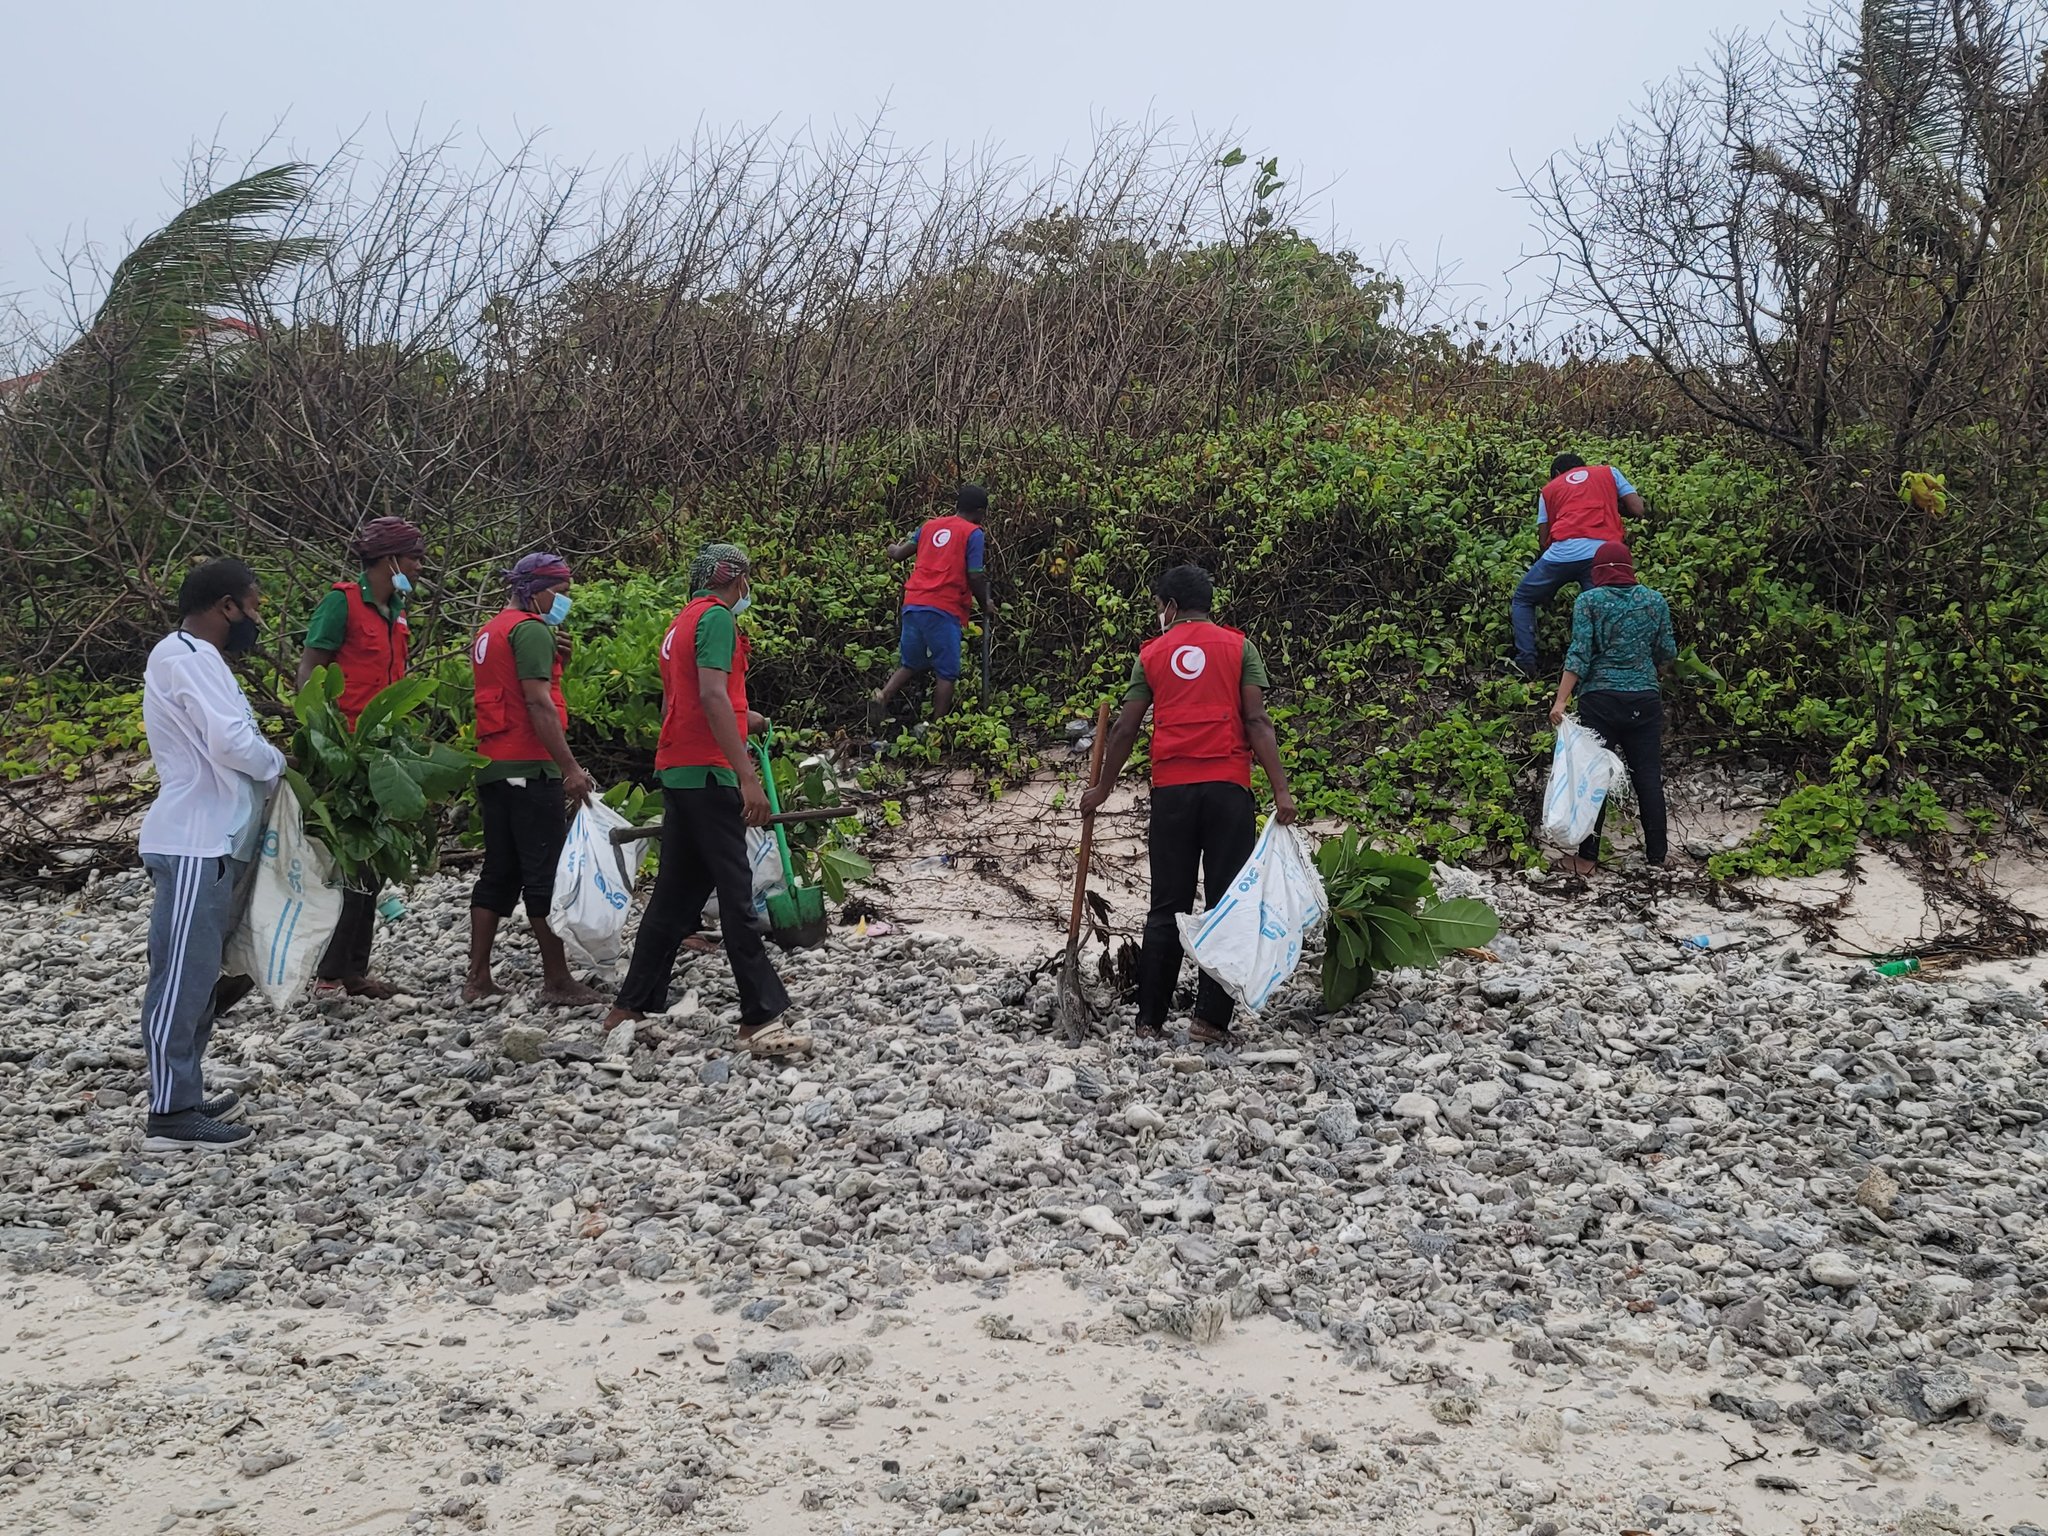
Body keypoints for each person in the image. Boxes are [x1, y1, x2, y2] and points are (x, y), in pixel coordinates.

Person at [600, 544, 808, 1057]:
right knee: (736, 896)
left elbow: (692, 698)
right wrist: (747, 777)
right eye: (747, 581)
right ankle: (758, 1015)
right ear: (734, 580)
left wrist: (746, 716)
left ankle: (630, 1004)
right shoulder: (717, 620)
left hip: (678, 770)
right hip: (709, 773)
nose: (747, 592)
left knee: (674, 894)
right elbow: (712, 696)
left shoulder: (680, 624)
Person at [1080, 564, 1297, 1047]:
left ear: (1170, 607)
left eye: (1159, 607)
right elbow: (1258, 721)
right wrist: (1281, 792)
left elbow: (1125, 728)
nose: (1159, 615)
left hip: (1173, 794)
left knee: (1167, 907)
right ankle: (1209, 1022)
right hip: (1228, 792)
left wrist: (1102, 790)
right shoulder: (1240, 648)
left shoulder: (1152, 655)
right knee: (1226, 907)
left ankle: (1149, 1021)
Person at [136, 559, 286, 1152]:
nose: (255, 619)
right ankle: (170, 1114)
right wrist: (277, 763)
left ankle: (185, 1089)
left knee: (199, 973)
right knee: (181, 974)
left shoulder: (200, 659)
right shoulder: (185, 657)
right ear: (226, 606)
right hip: (193, 838)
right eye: (252, 607)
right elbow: (231, 743)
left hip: (215, 837)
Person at [463, 552, 607, 1006]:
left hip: (493, 764)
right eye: (560, 593)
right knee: (542, 871)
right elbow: (538, 703)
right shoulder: (529, 629)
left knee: (499, 871)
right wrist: (569, 767)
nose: (564, 602)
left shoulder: (490, 630)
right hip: (528, 764)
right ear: (537, 590)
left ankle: (478, 976)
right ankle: (557, 979)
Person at [296, 516, 424, 998]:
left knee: (372, 856)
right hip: (343, 747)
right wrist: (319, 740)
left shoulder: (398, 608)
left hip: (382, 747)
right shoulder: (341, 603)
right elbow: (310, 672)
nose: (418, 566)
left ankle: (353, 968)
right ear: (390, 559)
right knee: (346, 857)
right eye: (413, 557)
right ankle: (329, 971)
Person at [1548, 540, 1676, 874]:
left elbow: (1579, 654)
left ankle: (1587, 858)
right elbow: (1667, 652)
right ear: (1629, 568)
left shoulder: (1589, 601)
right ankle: (1657, 857)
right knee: (1648, 776)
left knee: (1595, 778)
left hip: (1600, 700)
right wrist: (1651, 675)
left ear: (1597, 572)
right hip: (1645, 699)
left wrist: (1561, 700)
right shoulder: (1654, 601)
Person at [1512, 453, 1645, 678]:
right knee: (1602, 608)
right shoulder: (1608, 472)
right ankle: (1606, 667)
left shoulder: (1549, 489)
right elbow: (1638, 509)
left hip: (1562, 553)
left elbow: (1544, 539)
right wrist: (1613, 503)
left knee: (1523, 598)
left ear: (1555, 474)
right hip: (1603, 554)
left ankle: (1526, 663)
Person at [870, 483, 991, 727]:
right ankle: (937, 726)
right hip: (944, 607)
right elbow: (975, 574)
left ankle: (882, 695)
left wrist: (890, 546)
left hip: (913, 603)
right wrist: (985, 603)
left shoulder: (928, 526)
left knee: (911, 662)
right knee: (947, 671)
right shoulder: (973, 533)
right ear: (979, 511)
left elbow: (899, 553)